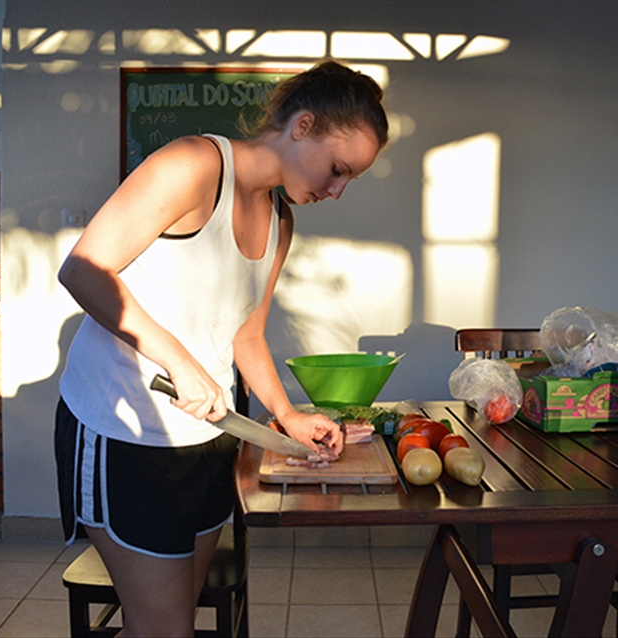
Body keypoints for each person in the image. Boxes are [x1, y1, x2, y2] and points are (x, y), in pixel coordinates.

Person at [54, 60, 388, 637]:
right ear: (302, 125)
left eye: (349, 179)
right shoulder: (194, 165)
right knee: (165, 629)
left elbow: (246, 334)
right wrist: (180, 362)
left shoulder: (281, 220)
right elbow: (82, 270)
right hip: (123, 433)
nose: (337, 191)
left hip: (211, 438)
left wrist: (286, 417)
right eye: (338, 169)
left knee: (171, 618)